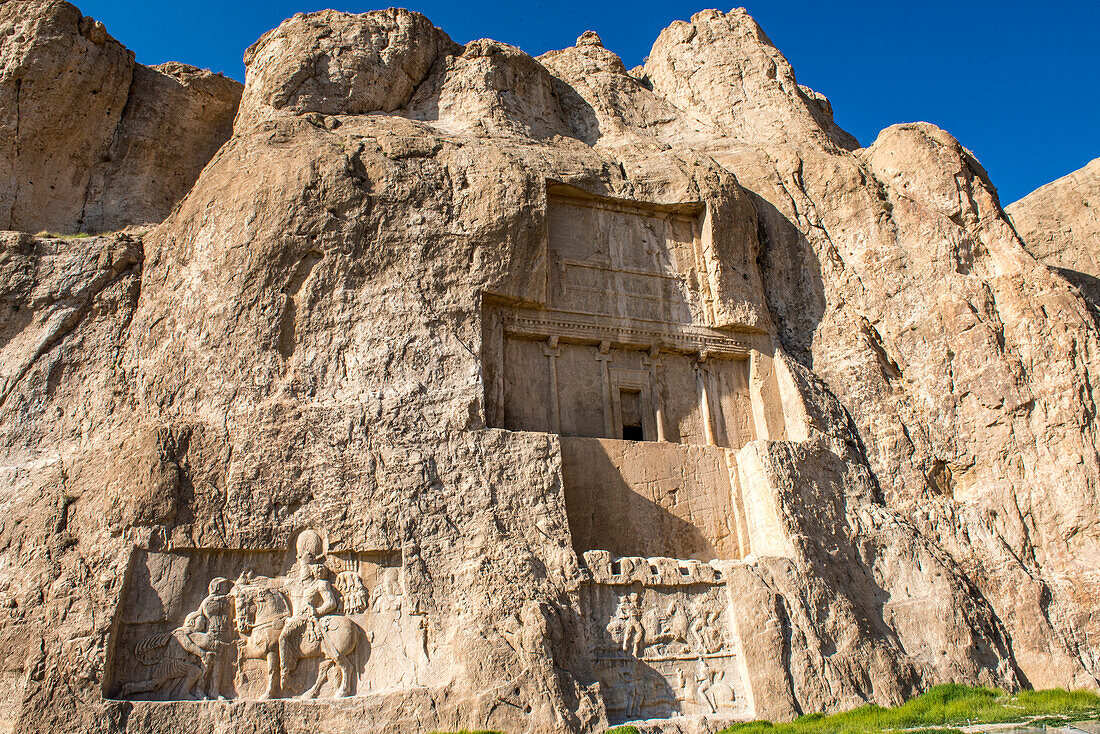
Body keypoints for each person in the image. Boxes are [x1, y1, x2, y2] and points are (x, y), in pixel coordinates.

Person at [278, 530, 339, 687]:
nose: (299, 563)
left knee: (283, 637)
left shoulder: (320, 583)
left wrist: (317, 611)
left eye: (304, 565)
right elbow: (278, 584)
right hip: (295, 617)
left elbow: (331, 603)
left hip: (307, 619)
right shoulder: (297, 584)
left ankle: (286, 673)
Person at [197, 577, 235, 699]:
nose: (226, 589)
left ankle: (214, 691)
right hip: (213, 635)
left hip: (225, 635)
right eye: (224, 586)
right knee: (207, 663)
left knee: (219, 666)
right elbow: (212, 607)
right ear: (217, 587)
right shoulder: (209, 602)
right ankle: (199, 690)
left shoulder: (224, 601)